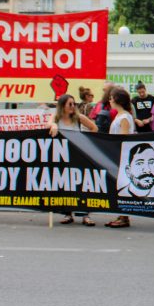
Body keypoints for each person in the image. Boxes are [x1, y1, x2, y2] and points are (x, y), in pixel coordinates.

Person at [49, 94, 100, 226]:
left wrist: (86, 141)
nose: (72, 106)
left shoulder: (78, 118)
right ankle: (68, 213)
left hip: (78, 155)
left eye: (74, 104)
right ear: (62, 106)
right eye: (69, 104)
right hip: (63, 157)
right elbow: (49, 123)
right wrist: (53, 125)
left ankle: (85, 215)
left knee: (82, 185)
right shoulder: (57, 117)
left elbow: (94, 128)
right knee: (65, 185)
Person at [105, 87, 137, 229]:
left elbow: (124, 138)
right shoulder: (120, 115)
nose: (110, 100)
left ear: (117, 100)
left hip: (121, 155)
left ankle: (124, 216)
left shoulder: (124, 117)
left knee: (122, 185)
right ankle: (121, 215)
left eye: (111, 98)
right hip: (116, 154)